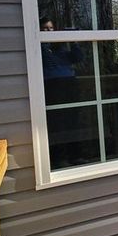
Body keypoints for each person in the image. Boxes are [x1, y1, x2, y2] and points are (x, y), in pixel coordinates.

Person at [40, 16, 85, 168]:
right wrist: (44, 42)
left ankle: (76, 155)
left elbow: (78, 57)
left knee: (72, 121)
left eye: (51, 28)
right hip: (52, 87)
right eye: (44, 29)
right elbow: (43, 58)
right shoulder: (41, 49)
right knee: (57, 124)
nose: (48, 31)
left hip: (69, 85)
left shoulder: (60, 49)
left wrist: (73, 41)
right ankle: (59, 158)